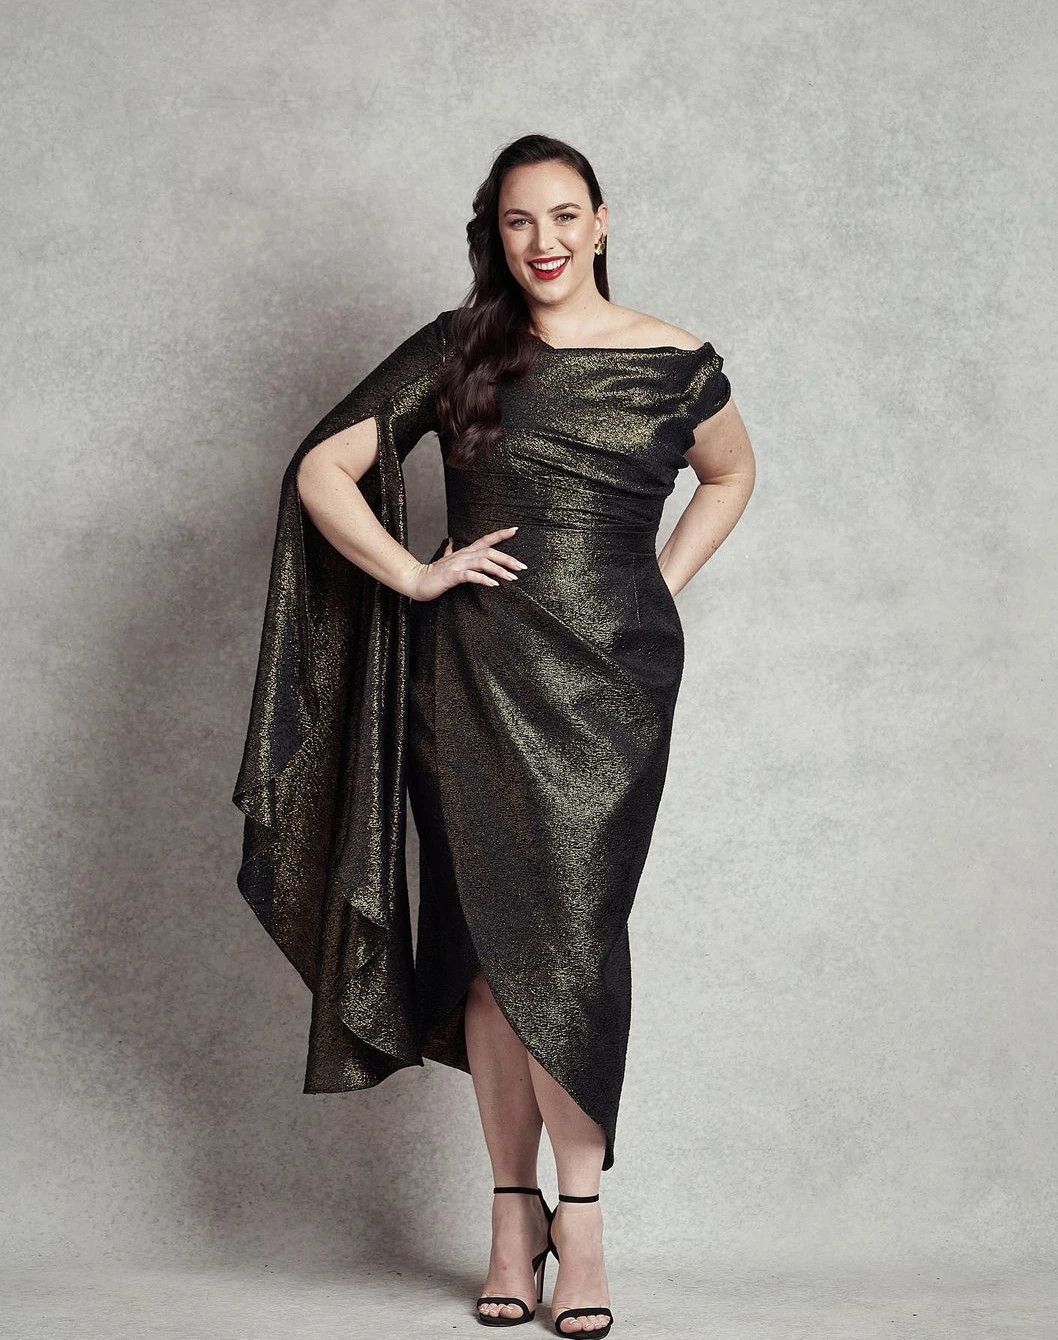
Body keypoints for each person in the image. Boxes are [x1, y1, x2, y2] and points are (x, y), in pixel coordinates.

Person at [232, 132, 756, 1337]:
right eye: (519, 221)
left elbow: (728, 476)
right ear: (495, 234)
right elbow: (322, 469)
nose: (544, 241)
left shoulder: (676, 362)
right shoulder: (461, 346)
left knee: (572, 946)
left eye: (564, 215)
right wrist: (415, 574)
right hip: (469, 679)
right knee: (483, 951)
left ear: (602, 220)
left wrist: (658, 584)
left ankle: (584, 1225)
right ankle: (512, 1219)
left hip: (612, 691)